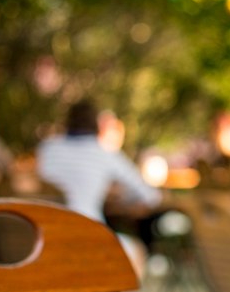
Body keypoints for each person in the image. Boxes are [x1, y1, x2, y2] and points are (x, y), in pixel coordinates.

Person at [37, 101, 162, 272]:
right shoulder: (103, 152)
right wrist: (124, 200)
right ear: (96, 124)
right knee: (136, 250)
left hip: (46, 237)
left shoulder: (48, 148)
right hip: (90, 235)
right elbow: (150, 196)